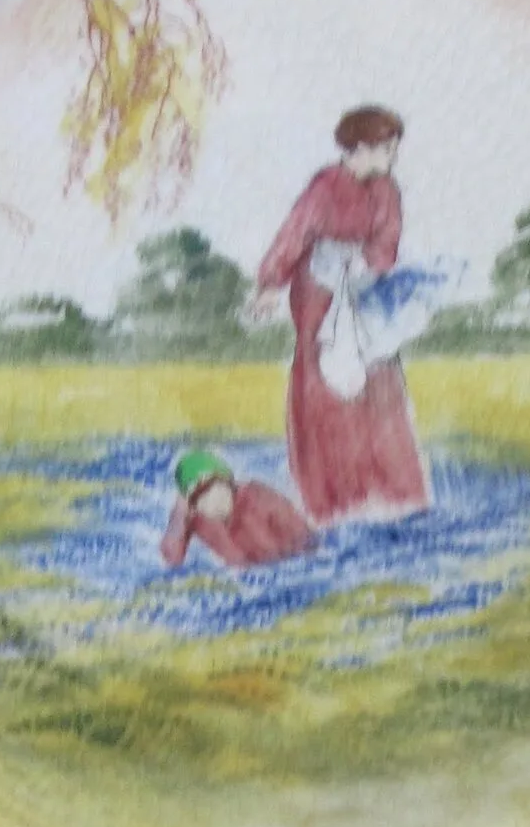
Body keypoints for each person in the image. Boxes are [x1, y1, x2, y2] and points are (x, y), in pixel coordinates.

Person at [254, 105, 432, 524]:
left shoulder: (387, 191)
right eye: (386, 149)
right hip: (320, 298)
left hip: (365, 295)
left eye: (393, 149)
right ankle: (330, 501)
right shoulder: (325, 188)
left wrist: (366, 264)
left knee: (378, 382)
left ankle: (395, 495)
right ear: (360, 148)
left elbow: (387, 244)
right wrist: (270, 283)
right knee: (325, 386)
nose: (392, 157)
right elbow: (295, 235)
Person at [158, 448, 315, 570]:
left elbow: (307, 542)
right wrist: (179, 514)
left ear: (226, 480)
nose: (207, 501)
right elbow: (171, 559)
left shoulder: (259, 499)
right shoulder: (197, 518)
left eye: (207, 488)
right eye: (195, 498)